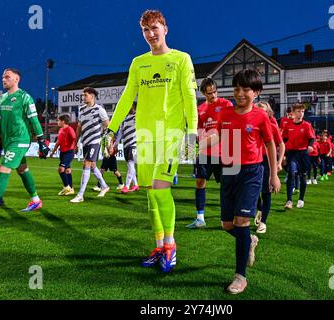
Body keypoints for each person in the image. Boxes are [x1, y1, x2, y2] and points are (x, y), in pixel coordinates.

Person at [105, 10, 198, 273]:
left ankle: (171, 246)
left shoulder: (182, 59)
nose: (151, 33)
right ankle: (158, 245)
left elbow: (190, 99)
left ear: (165, 29)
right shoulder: (138, 63)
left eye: (155, 27)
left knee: (160, 189)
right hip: (144, 135)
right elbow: (126, 98)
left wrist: (192, 133)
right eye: (146, 30)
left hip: (171, 134)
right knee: (150, 195)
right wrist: (111, 130)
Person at [202, 69, 281, 294]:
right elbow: (218, 135)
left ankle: (240, 277)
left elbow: (269, 145)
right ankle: (250, 241)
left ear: (255, 92)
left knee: (242, 222)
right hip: (229, 170)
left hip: (251, 173)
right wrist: (200, 144)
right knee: (227, 225)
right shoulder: (225, 113)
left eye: (246, 89)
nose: (240, 93)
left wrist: (273, 174)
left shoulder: (260, 117)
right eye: (237, 88)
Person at [0, 68, 50, 219]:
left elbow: (34, 120)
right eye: (3, 77)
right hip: (7, 141)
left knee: (4, 169)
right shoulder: (3, 97)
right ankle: (36, 200)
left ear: (16, 79)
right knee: (22, 169)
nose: (3, 79)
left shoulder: (25, 97)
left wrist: (41, 141)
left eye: (7, 77)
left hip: (19, 140)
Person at [186, 77, 233, 229]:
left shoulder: (226, 104)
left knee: (226, 186)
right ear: (203, 94)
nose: (213, 95)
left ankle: (228, 216)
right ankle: (200, 218)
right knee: (200, 182)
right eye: (209, 93)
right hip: (205, 152)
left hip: (223, 152)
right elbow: (197, 132)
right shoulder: (200, 110)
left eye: (214, 92)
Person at [70, 87, 110, 203]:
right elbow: (79, 127)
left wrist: (108, 142)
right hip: (85, 142)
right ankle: (104, 186)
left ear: (92, 96)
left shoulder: (99, 110)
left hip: (95, 141)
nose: (83, 97)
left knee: (86, 164)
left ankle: (80, 194)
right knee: (92, 165)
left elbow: (108, 126)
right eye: (83, 95)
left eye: (85, 95)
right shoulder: (81, 109)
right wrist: (76, 143)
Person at [254, 102, 284, 234]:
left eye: (263, 111)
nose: (260, 113)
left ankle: (263, 222)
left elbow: (281, 144)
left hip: (267, 162)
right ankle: (260, 209)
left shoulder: (272, 126)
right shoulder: (250, 125)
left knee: (266, 192)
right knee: (253, 192)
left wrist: (278, 162)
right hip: (253, 161)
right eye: (258, 110)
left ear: (268, 113)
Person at [283, 103, 315, 210]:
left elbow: (311, 138)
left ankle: (301, 199)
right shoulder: (288, 125)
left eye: (302, 112)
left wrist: (310, 146)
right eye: (298, 111)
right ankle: (289, 200)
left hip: (303, 154)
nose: (300, 114)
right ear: (292, 113)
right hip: (292, 153)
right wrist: (281, 151)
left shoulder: (307, 125)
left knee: (303, 176)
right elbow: (284, 139)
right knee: (291, 174)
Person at [49, 114, 76, 196]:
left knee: (61, 169)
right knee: (67, 170)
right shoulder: (60, 130)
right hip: (62, 153)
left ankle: (66, 187)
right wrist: (53, 152)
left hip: (69, 152)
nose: (57, 122)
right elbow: (58, 142)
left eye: (58, 120)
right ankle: (70, 189)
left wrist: (75, 147)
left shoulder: (69, 129)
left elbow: (74, 138)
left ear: (63, 121)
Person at [115, 104, 138, 193]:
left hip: (134, 144)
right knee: (129, 165)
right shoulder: (124, 118)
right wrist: (116, 143)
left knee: (131, 163)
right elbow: (121, 131)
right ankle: (135, 184)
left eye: (130, 107)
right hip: (125, 145)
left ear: (133, 107)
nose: (128, 108)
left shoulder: (137, 116)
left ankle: (127, 186)